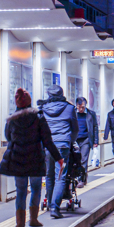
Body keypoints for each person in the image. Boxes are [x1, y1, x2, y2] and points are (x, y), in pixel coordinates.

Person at [0, 88, 63, 227]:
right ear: (29, 102)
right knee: (35, 188)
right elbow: (47, 140)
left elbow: (8, 137)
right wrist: (58, 157)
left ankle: (20, 224)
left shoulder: (12, 119)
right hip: (34, 158)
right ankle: (33, 219)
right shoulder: (38, 117)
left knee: (21, 190)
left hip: (17, 159)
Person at [39, 85, 79, 218]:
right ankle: (55, 208)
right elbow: (75, 129)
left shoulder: (43, 109)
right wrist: (70, 141)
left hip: (48, 146)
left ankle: (50, 204)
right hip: (62, 145)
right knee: (60, 176)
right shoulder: (69, 108)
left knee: (49, 175)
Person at [74, 97, 99, 186]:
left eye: (83, 107)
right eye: (79, 107)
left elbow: (95, 127)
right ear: (76, 105)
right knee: (75, 160)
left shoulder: (91, 114)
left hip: (86, 139)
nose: (81, 109)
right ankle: (77, 178)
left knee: (83, 160)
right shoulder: (72, 113)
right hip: (74, 140)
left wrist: (96, 141)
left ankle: (82, 179)